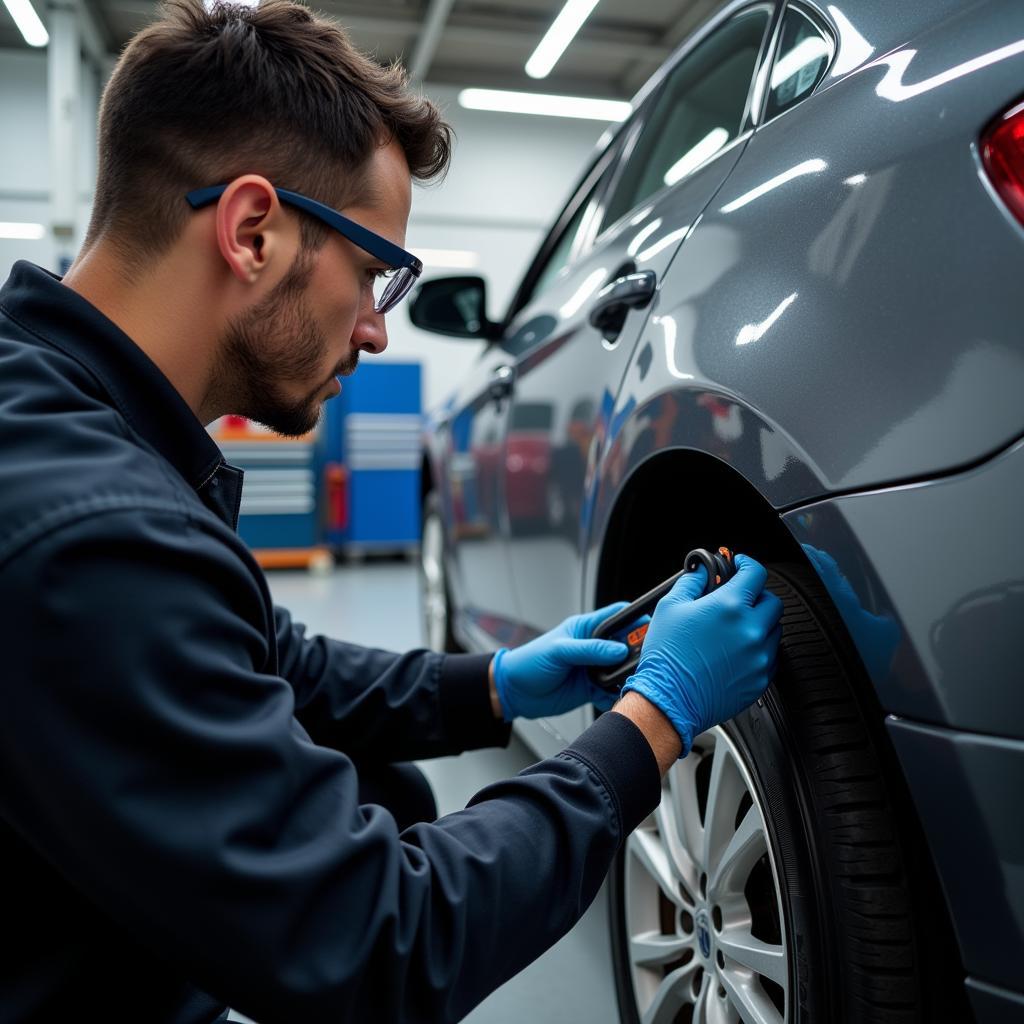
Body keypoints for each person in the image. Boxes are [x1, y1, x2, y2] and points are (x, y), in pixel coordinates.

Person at [0, 1, 784, 1021]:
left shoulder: (61, 420)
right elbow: (379, 940)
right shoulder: (87, 531)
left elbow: (265, 660)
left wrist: (496, 681)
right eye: (374, 273)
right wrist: (655, 719)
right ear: (251, 232)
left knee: (392, 791)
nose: (375, 331)